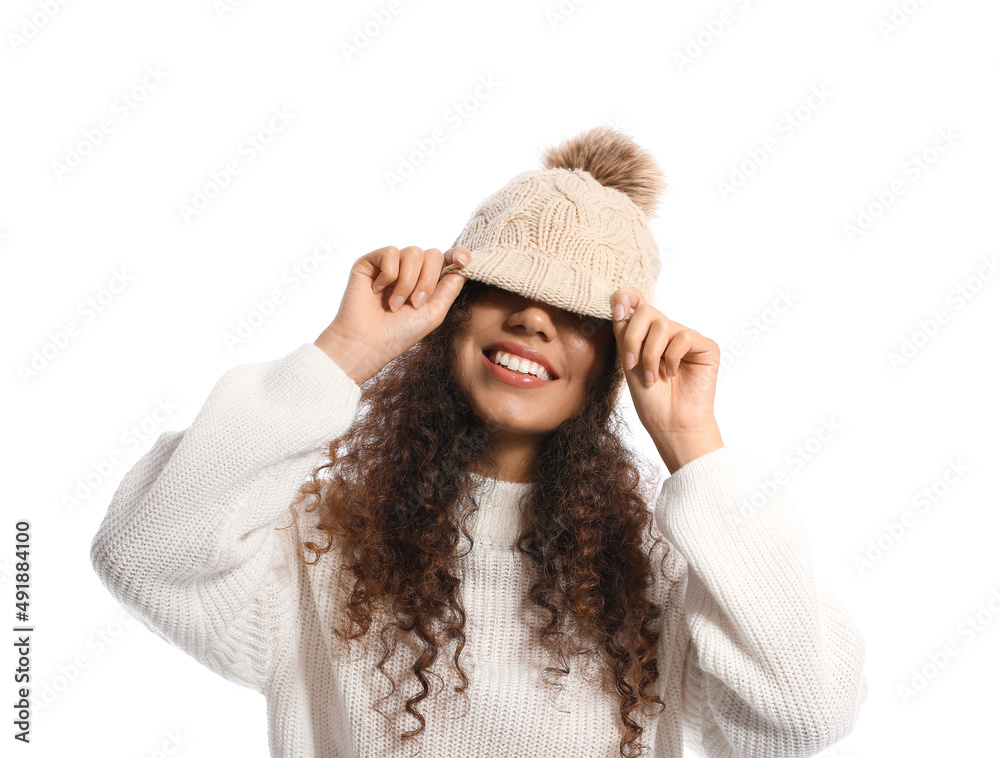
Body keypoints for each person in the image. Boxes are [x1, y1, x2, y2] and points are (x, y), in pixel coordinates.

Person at [90, 126, 867, 758]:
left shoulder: (667, 572)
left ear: (616, 362)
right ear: (449, 311)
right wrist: (346, 352)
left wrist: (696, 447)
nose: (534, 321)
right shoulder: (318, 544)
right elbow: (146, 553)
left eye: (579, 314)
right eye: (506, 291)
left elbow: (804, 714)